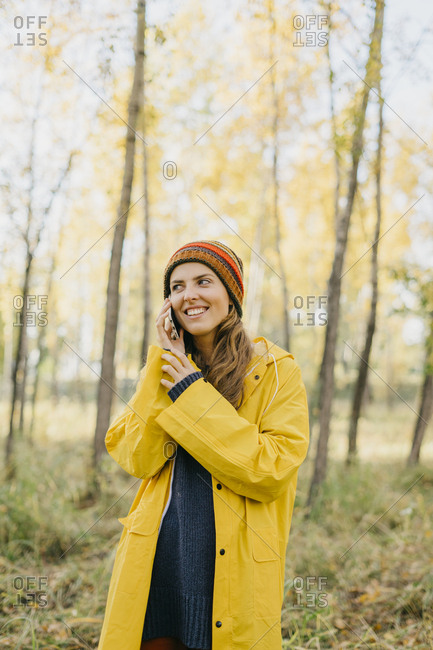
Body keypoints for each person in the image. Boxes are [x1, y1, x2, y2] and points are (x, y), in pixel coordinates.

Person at [97, 240, 309, 650]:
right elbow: (136, 457)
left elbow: (271, 469)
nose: (188, 294)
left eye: (203, 281)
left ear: (232, 295)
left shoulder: (277, 371)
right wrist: (162, 359)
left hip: (232, 568)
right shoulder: (165, 365)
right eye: (176, 286)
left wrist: (190, 391)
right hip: (161, 558)